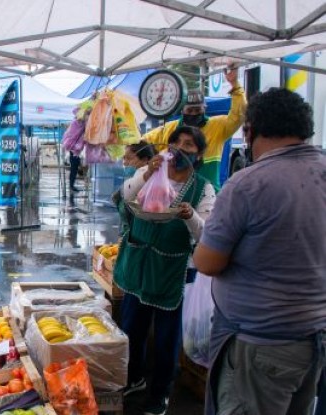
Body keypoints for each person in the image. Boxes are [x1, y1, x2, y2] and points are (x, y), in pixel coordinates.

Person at [193, 88, 325, 415]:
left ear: (250, 131)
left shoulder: (248, 184)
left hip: (259, 344)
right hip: (313, 339)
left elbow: (208, 262)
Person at [114, 126, 216, 415]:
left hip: (173, 272)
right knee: (131, 329)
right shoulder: (150, 173)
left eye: (189, 145)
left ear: (198, 156)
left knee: (166, 341)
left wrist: (189, 215)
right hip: (138, 264)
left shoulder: (203, 188)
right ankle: (134, 378)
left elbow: (206, 234)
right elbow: (125, 196)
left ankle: (160, 394)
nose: (180, 149)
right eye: (176, 142)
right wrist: (147, 173)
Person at [144, 67, 246, 191]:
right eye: (190, 110)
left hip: (207, 194)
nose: (193, 114)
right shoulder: (169, 129)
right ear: (182, 110)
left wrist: (235, 85)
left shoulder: (218, 125)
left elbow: (239, 115)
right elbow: (142, 143)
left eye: (198, 110)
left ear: (204, 108)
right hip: (173, 196)